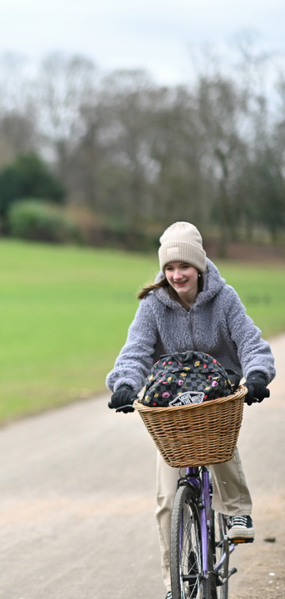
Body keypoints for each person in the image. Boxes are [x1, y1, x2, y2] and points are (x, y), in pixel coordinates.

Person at [105, 221, 275, 599]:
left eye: (183, 266)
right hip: (173, 399)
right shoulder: (153, 305)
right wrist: (125, 385)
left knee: (218, 441)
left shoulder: (224, 298)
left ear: (199, 266)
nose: (177, 275)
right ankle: (174, 587)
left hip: (217, 390)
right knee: (168, 500)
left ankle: (237, 511)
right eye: (169, 268)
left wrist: (258, 374)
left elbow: (250, 340)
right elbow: (135, 351)